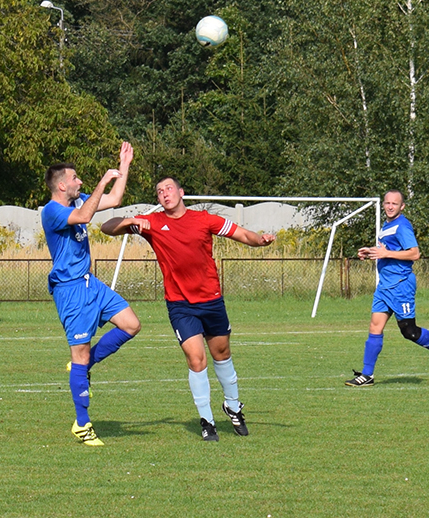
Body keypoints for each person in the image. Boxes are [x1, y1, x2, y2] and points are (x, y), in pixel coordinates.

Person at [101, 177, 276, 441]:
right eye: (159, 192)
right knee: (197, 360)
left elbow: (242, 234)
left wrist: (260, 241)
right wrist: (127, 222)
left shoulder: (204, 219)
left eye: (168, 188)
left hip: (211, 301)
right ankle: (207, 421)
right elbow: (107, 227)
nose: (164, 194)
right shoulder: (153, 224)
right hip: (181, 305)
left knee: (222, 354)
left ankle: (232, 405)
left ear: (181, 192)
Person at [42, 142, 141, 446]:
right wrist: (101, 181)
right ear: (61, 185)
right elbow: (85, 217)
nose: (79, 182)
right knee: (80, 353)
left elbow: (114, 198)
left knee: (131, 324)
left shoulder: (78, 201)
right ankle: (82, 425)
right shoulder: (52, 211)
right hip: (70, 290)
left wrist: (123, 166)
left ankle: (82, 368)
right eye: (75, 179)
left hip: (91, 284)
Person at [345, 189, 429, 387]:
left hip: (400, 285)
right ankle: (367, 375)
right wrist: (371, 252)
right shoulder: (387, 225)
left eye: (394, 204)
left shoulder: (403, 226)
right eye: (387, 203)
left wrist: (385, 254)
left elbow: (414, 254)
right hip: (385, 286)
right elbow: (388, 251)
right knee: (375, 327)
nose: (390, 206)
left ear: (402, 206)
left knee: (409, 332)